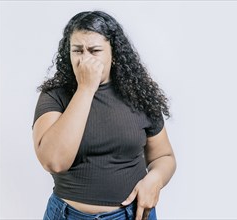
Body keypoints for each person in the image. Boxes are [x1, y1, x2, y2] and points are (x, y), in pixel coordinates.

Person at [32, 11, 176, 220]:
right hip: (68, 215)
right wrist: (85, 89)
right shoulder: (55, 96)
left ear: (114, 55)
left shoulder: (139, 94)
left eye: (94, 50)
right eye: (77, 50)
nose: (85, 59)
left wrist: (155, 179)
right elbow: (54, 161)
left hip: (131, 214)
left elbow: (164, 156)